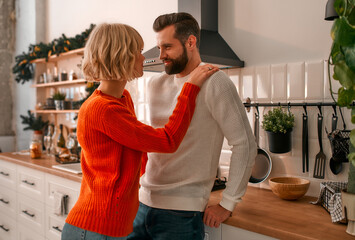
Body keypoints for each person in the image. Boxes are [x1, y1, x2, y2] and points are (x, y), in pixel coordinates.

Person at [61, 23, 218, 240]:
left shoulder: (122, 99)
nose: (143, 58)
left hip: (111, 228)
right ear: (121, 56)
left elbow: (139, 151)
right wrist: (190, 88)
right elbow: (167, 140)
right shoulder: (103, 109)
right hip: (95, 230)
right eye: (138, 51)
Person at [128, 12, 257, 240]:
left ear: (190, 42)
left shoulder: (215, 82)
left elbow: (244, 144)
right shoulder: (155, 84)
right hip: (142, 204)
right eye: (159, 47)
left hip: (182, 213)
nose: (161, 56)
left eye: (167, 47)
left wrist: (228, 203)